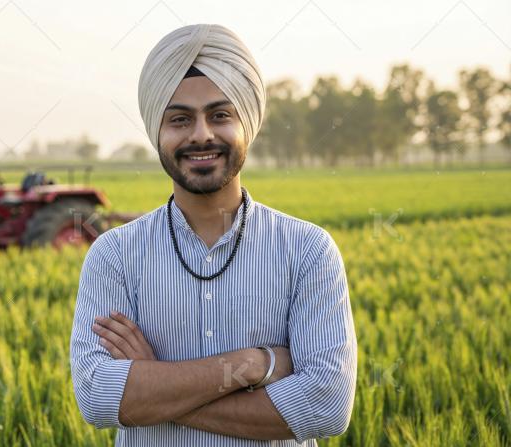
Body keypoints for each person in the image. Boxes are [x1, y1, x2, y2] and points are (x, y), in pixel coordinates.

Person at [70, 23, 357, 446]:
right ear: (158, 132)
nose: (201, 134)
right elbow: (97, 397)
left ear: (248, 124)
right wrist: (253, 363)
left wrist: (155, 387)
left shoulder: (308, 251)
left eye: (220, 115)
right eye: (180, 119)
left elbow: (326, 406)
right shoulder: (115, 254)